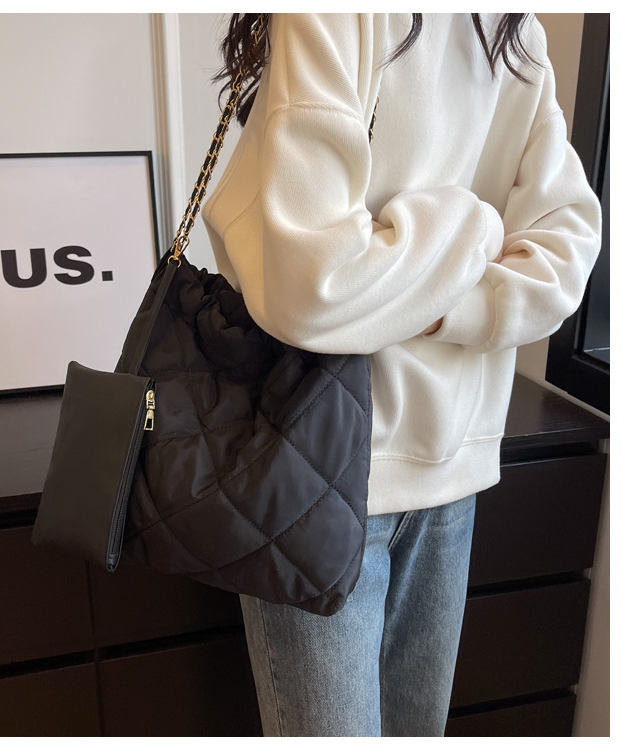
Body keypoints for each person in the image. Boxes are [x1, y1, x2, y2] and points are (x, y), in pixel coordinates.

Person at [200, 13, 602, 738]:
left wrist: (435, 302)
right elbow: (313, 287)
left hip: (447, 473)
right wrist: (475, 229)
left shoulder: (513, 30)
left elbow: (566, 251)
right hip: (320, 468)